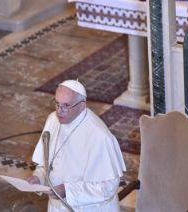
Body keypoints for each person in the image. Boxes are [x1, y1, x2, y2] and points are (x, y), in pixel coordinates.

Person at [26, 79, 127, 211]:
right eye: (56, 103)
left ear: (81, 107)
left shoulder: (99, 135)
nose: (59, 111)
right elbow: (47, 163)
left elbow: (107, 188)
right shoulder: (53, 120)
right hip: (56, 207)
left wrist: (68, 191)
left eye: (66, 106)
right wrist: (39, 177)